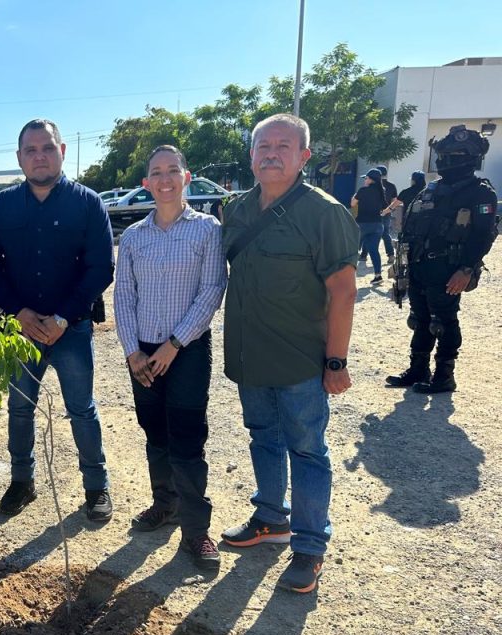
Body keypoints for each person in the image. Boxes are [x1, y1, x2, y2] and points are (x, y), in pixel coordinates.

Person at [220, 114, 358, 594]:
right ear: (252, 155)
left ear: (304, 156)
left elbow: (343, 291)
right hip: (250, 356)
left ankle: (309, 547)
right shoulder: (236, 210)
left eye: (284, 145)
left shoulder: (324, 213)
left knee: (307, 451)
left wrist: (335, 361)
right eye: (263, 146)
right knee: (262, 438)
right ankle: (270, 518)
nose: (271, 153)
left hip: (301, 360)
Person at [0, 118, 115, 522]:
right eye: (31, 150)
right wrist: (17, 313)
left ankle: (96, 487)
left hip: (70, 330)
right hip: (20, 331)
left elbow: (101, 267)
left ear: (63, 151)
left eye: (47, 148)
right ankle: (23, 482)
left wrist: (62, 317)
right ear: (19, 157)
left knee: (82, 409)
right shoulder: (3, 205)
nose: (39, 156)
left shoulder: (88, 203)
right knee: (21, 410)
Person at [114, 145, 227, 569]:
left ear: (186, 176)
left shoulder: (207, 230)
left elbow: (212, 290)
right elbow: (123, 296)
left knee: (187, 440)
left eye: (172, 171)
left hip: (187, 352)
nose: (164, 179)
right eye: (156, 173)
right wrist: (131, 351)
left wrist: (174, 344)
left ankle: (196, 532)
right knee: (155, 436)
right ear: (146, 183)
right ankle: (166, 505)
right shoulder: (134, 238)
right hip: (141, 355)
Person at [386, 125, 498, 394]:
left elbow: (484, 235)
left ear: (470, 157)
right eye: (445, 155)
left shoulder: (480, 192)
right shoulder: (433, 189)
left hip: (448, 268)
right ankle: (418, 369)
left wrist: (466, 269)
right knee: (420, 318)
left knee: (444, 321)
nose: (446, 160)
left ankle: (444, 376)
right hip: (420, 265)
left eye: (454, 155)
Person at [352, 168, 388, 283]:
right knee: (374, 250)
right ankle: (378, 275)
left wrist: (355, 195)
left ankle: (347, 276)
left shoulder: (362, 190)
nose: (364, 180)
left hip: (362, 224)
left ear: (371, 179)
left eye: (366, 178)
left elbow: (353, 204)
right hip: (377, 225)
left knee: (352, 250)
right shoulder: (381, 192)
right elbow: (385, 208)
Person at [376, 165, 400, 259]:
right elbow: (394, 200)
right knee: (385, 233)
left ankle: (363, 254)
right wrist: (389, 210)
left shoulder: (373, 185)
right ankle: (390, 254)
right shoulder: (391, 185)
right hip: (387, 212)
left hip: (374, 212)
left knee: (370, 232)